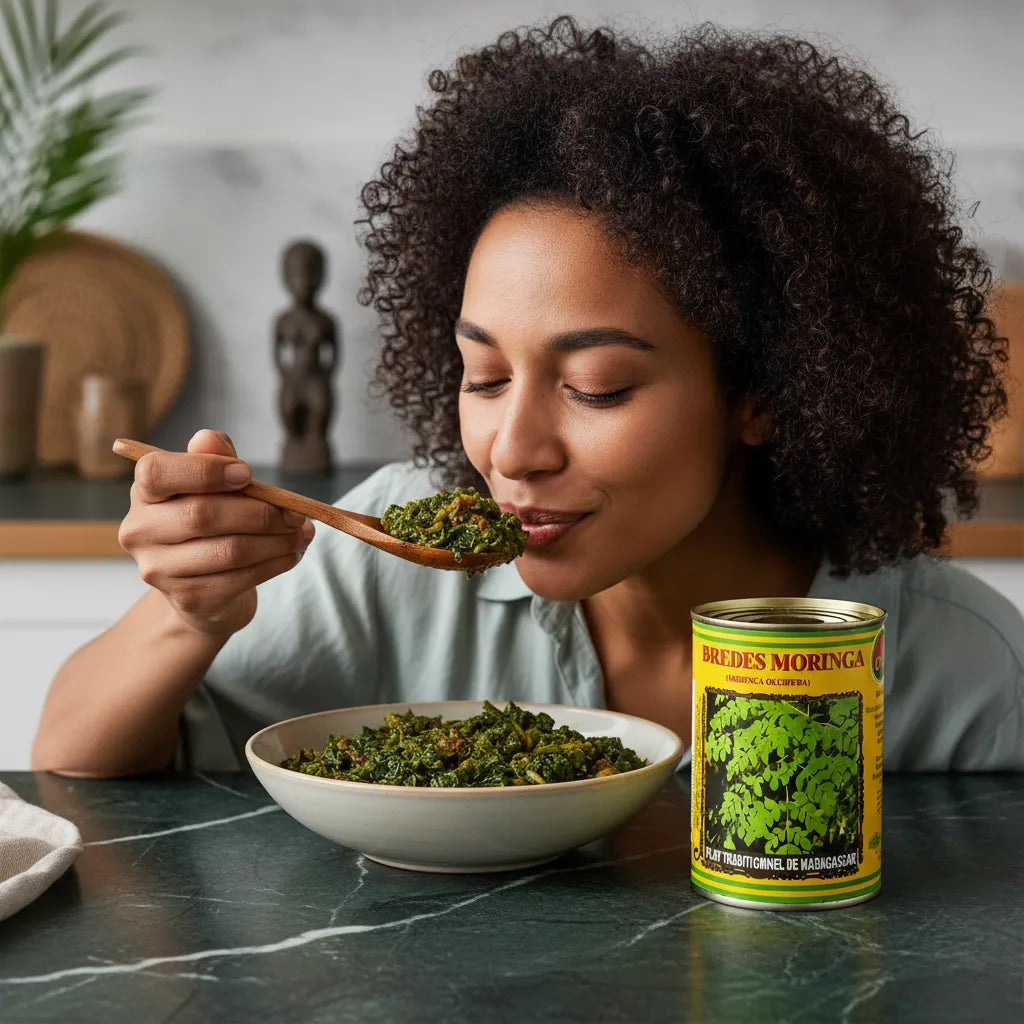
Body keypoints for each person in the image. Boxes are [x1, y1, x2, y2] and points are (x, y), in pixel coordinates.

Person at [33, 17, 1023, 777]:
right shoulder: (382, 556)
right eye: (485, 375)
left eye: (595, 386)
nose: (511, 449)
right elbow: (71, 767)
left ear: (762, 392)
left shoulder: (958, 670)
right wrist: (184, 616)